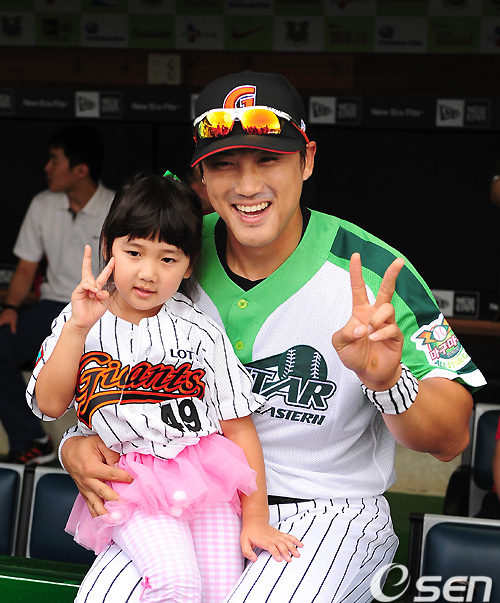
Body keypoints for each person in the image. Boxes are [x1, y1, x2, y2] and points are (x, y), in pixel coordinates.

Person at [57, 72, 485, 603]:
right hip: (188, 501)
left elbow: (452, 439)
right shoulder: (169, 255)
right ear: (201, 175)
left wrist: (388, 381)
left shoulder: (372, 273)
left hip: (325, 512)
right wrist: (74, 445)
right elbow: (102, 368)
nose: (247, 185)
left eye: (268, 159)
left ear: (306, 160)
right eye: (225, 164)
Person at [27, 172, 302, 603]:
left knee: (219, 593)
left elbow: (239, 427)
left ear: (189, 265)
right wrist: (79, 328)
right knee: (176, 582)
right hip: (129, 477)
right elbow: (48, 404)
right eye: (134, 252)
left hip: (205, 476)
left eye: (168, 259)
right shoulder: (80, 319)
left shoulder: (199, 330)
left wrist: (256, 518)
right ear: (109, 247)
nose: (148, 273)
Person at [0, 124, 114, 465]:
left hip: (102, 309)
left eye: (55, 160)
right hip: (52, 307)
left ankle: (111, 451)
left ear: (80, 170)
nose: (46, 168)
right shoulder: (42, 204)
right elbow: (26, 269)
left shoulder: (116, 206)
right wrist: (10, 307)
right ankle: (31, 440)